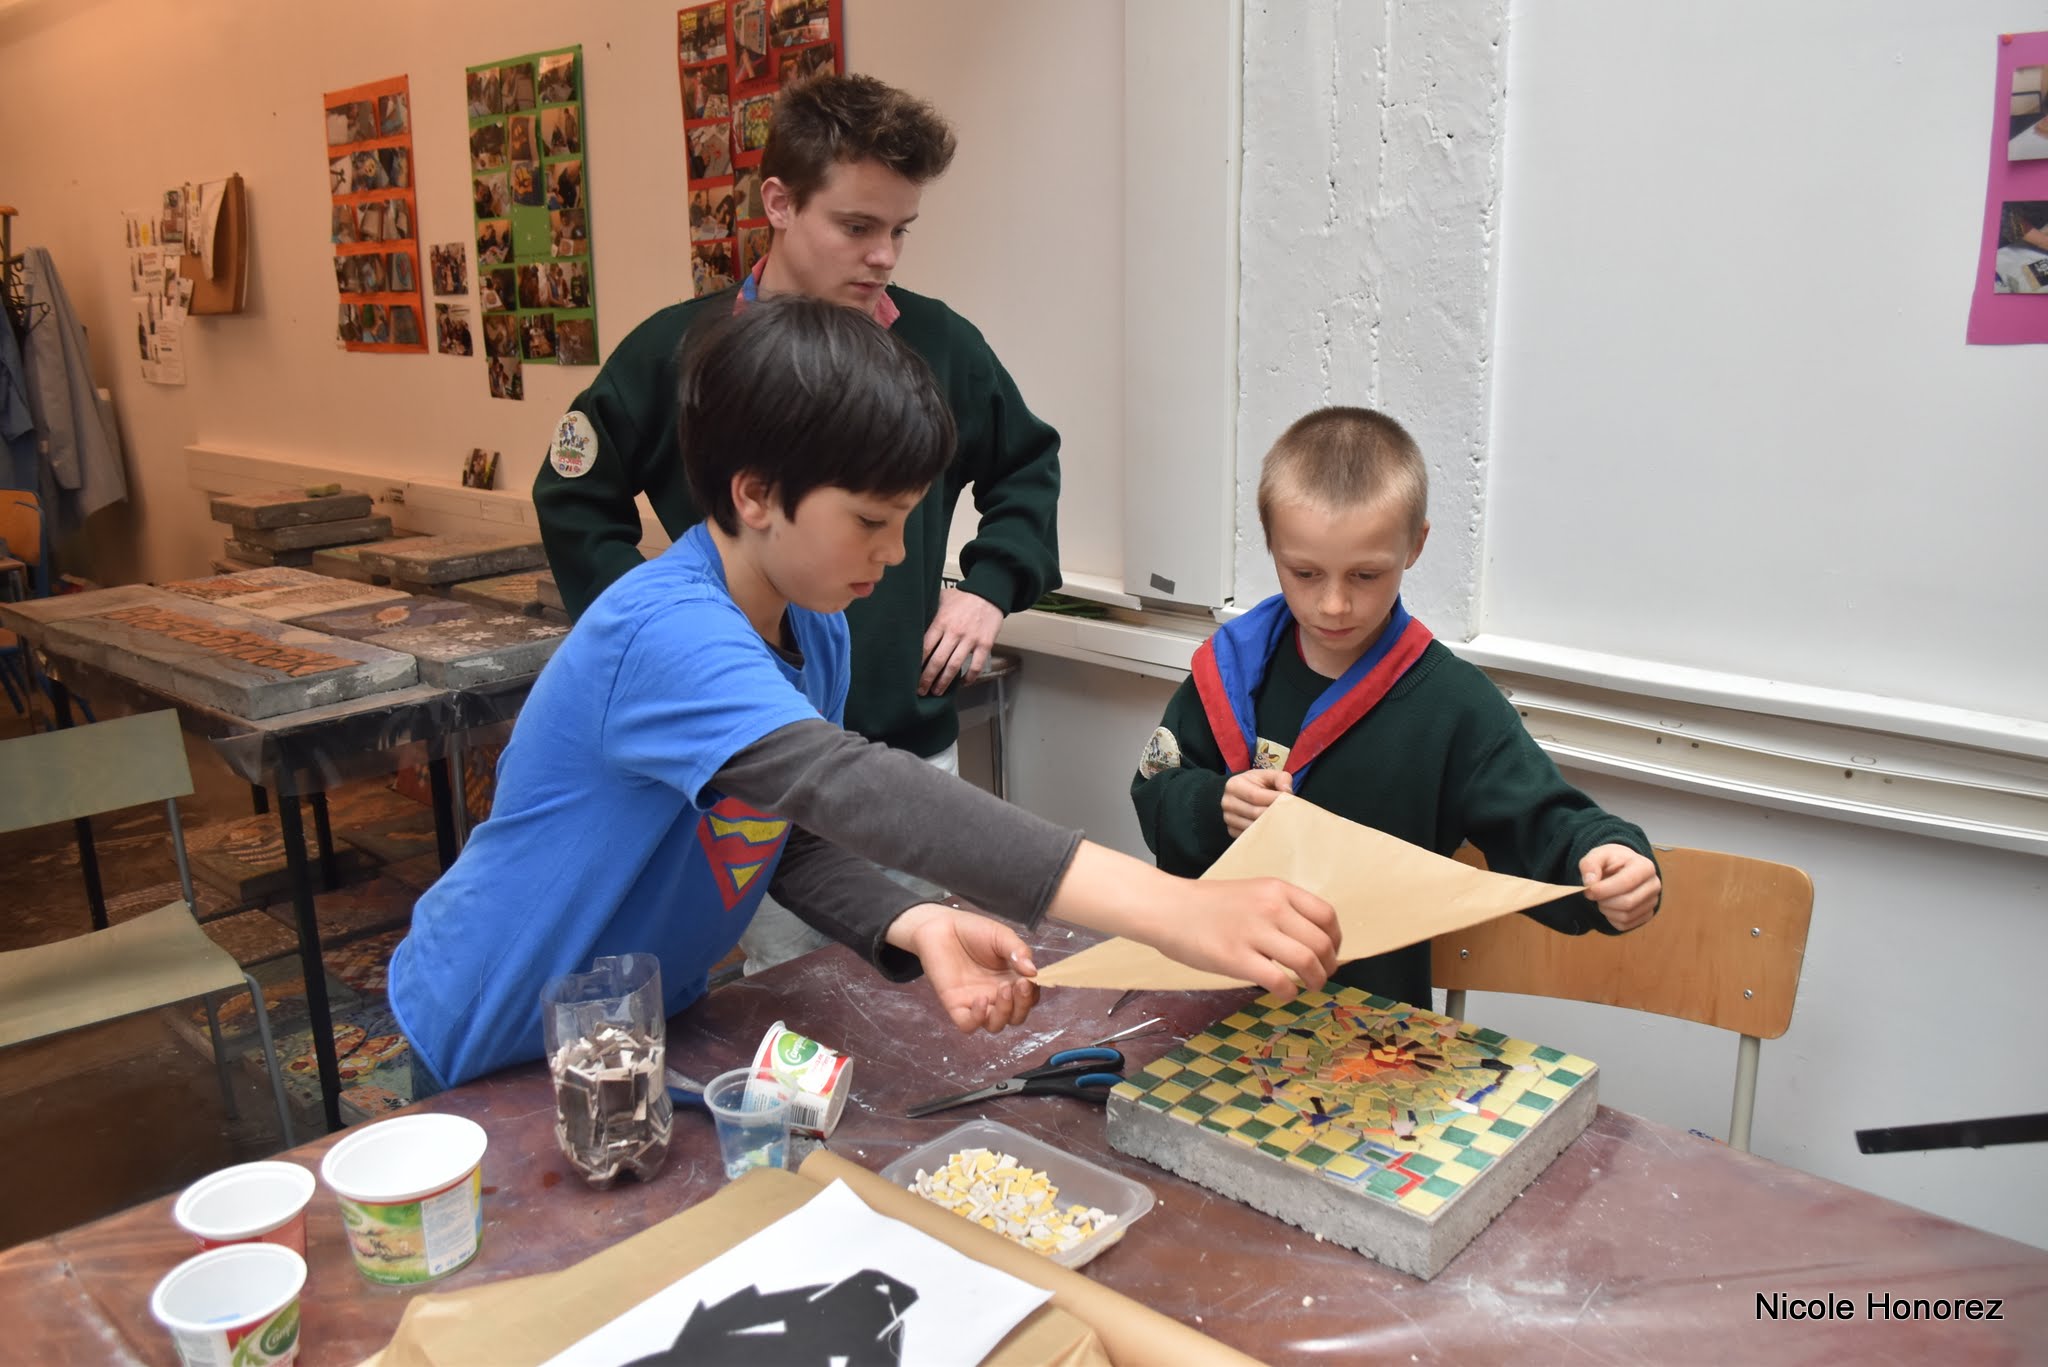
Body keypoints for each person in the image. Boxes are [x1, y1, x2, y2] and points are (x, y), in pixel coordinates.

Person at [391, 298, 1339, 1089]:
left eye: (908, 521)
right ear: (755, 495)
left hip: (627, 1028)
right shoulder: (666, 633)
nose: (893, 554)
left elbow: (778, 832)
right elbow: (849, 785)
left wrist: (911, 918)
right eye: (870, 521)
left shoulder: (817, 625)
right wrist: (1173, 907)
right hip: (492, 1032)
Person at [534, 74, 1062, 974]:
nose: (883, 255)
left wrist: (989, 586)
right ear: (778, 203)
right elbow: (573, 491)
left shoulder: (941, 346)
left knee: (927, 981)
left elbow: (1027, 462)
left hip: (906, 742)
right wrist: (664, 635)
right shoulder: (675, 353)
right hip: (760, 763)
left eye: (900, 230)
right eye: (857, 226)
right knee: (793, 997)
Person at [1129, 407, 1661, 1010]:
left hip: (1366, 1032)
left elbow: (1543, 824)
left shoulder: (1453, 705)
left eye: (1365, 575)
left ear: (1415, 545)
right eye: (1305, 573)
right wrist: (1213, 805)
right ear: (1270, 541)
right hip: (1207, 1003)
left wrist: (1609, 858)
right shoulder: (1228, 672)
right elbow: (1154, 794)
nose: (1334, 604)